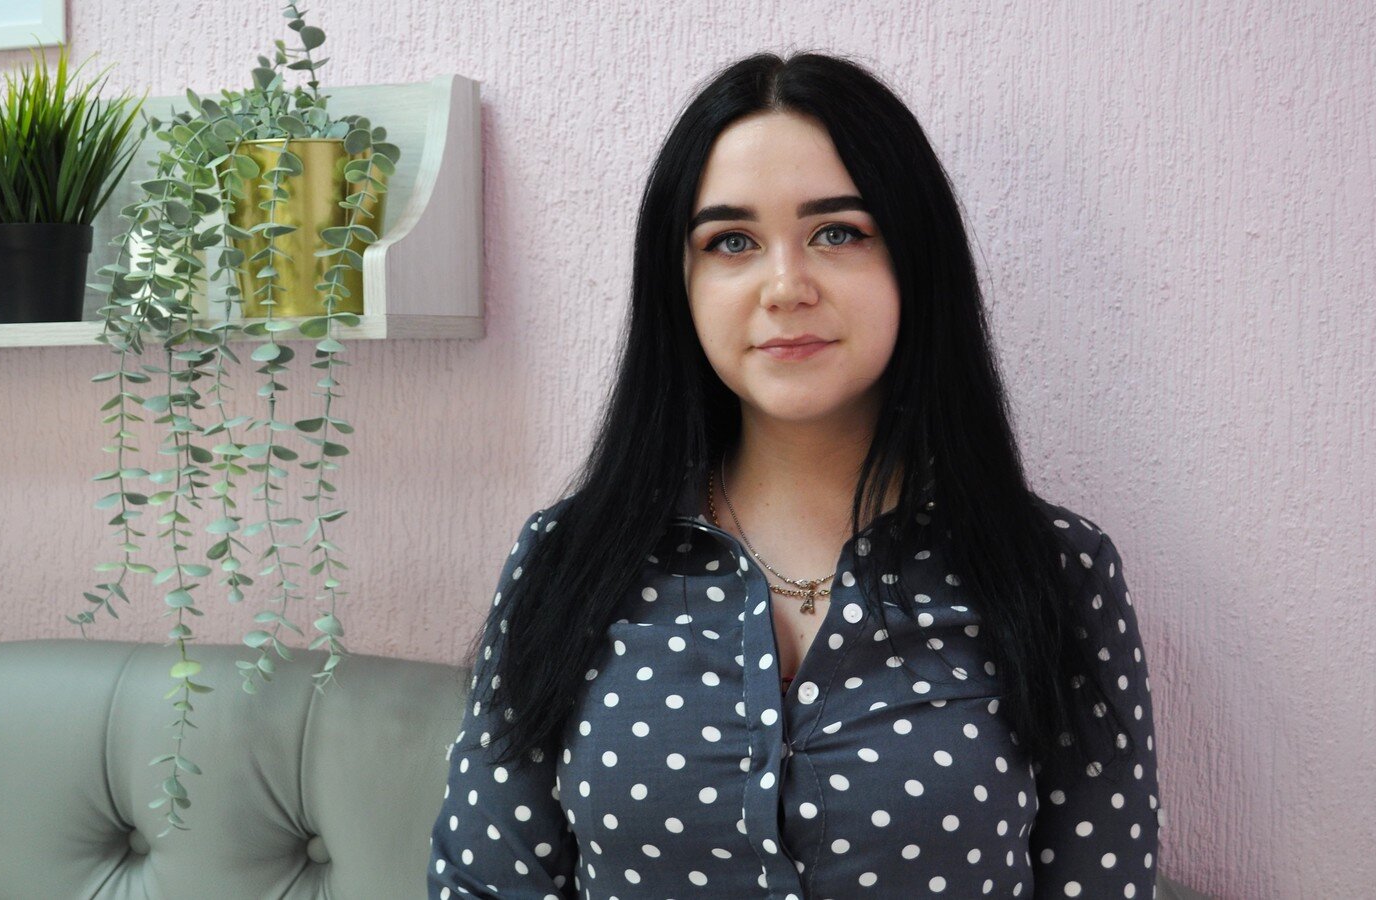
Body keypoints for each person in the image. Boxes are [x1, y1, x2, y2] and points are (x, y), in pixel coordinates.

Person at [429, 50, 1164, 899]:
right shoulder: (566, 561)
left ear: (915, 260)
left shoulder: (1058, 574)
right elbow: (484, 883)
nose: (786, 286)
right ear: (681, 285)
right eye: (731, 241)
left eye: (838, 232)